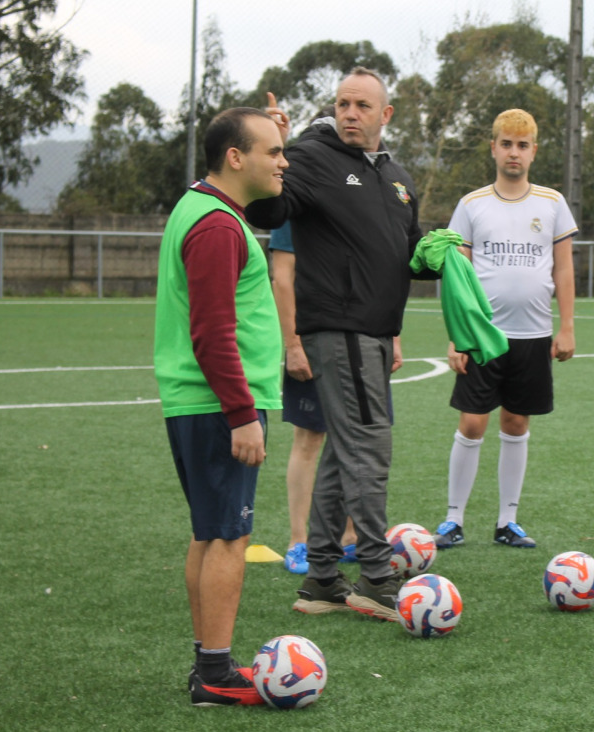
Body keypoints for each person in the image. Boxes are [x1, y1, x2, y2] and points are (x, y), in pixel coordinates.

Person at [245, 67, 426, 623]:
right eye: (343, 103)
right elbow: (268, 210)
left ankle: (321, 579)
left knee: (343, 456)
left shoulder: (396, 176)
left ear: (384, 115)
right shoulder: (313, 156)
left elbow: (405, 254)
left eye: (362, 106)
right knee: (369, 448)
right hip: (338, 328)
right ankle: (375, 575)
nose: (350, 113)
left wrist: (441, 255)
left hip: (374, 332)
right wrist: (270, 159)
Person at [153, 106, 287, 705]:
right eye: (273, 151)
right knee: (228, 537)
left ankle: (207, 660)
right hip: (217, 406)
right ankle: (215, 673)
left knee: (209, 534)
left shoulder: (204, 210)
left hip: (200, 403)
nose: (283, 162)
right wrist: (240, 414)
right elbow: (212, 330)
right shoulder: (216, 226)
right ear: (236, 158)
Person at [432, 109, 577, 551]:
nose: (514, 153)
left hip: (533, 335)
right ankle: (453, 519)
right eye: (507, 144)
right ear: (493, 148)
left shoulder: (551, 203)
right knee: (473, 422)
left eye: (523, 145)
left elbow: (564, 267)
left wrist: (566, 326)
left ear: (534, 152)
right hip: (483, 336)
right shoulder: (472, 205)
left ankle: (507, 521)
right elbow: (456, 274)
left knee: (516, 422)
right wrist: (458, 336)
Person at [267, 106, 357, 574]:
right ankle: (299, 540)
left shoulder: (354, 191)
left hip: (356, 338)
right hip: (312, 339)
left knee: (354, 439)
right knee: (310, 439)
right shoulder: (296, 199)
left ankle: (348, 535)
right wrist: (293, 343)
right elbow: (282, 277)